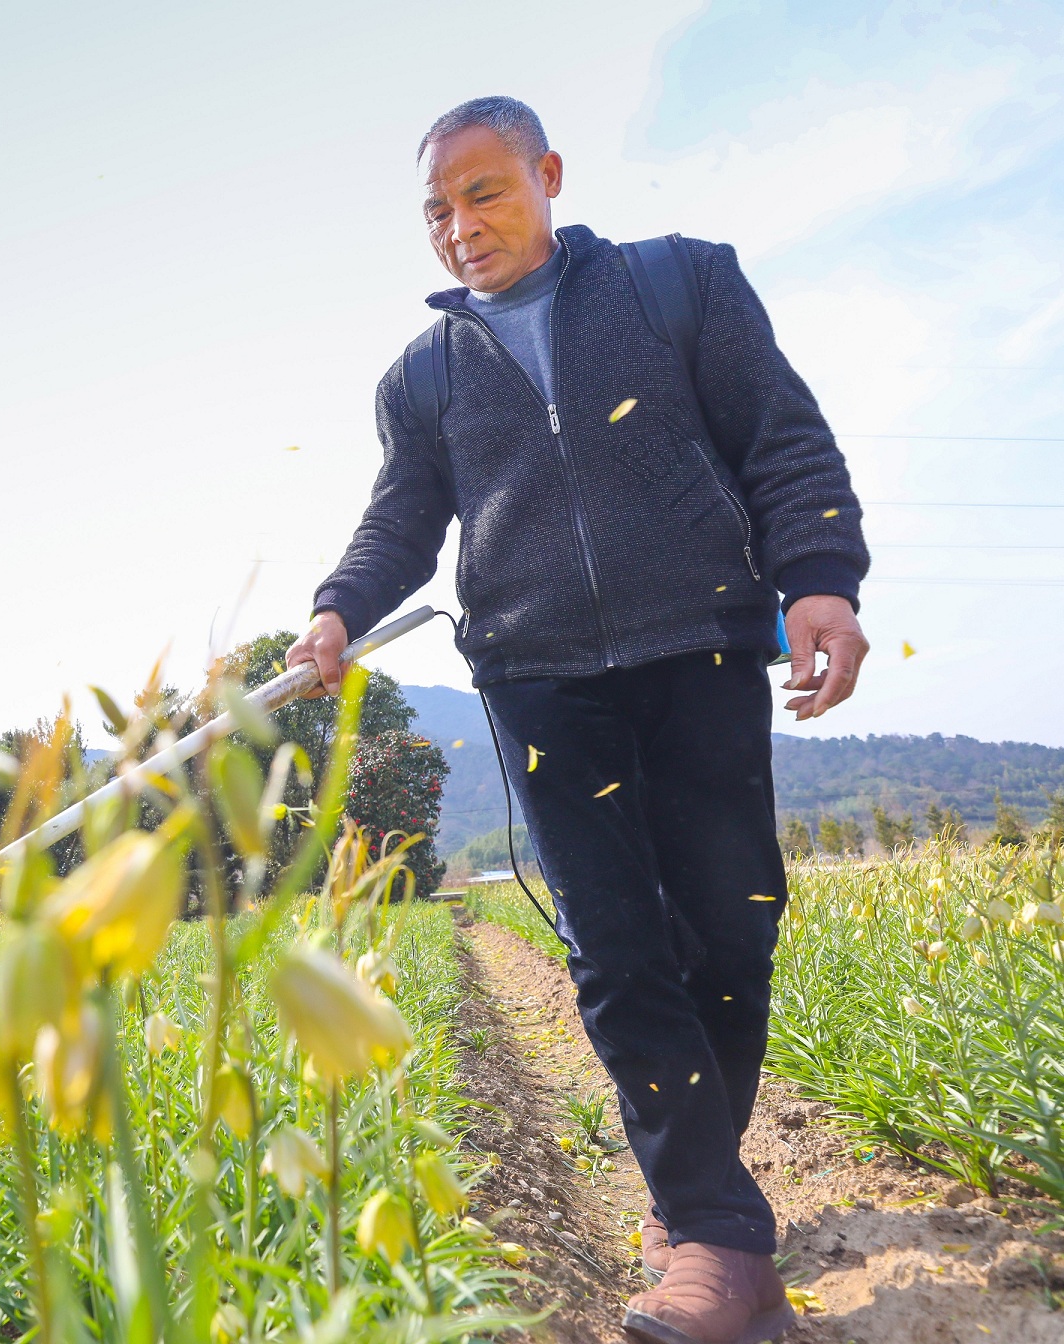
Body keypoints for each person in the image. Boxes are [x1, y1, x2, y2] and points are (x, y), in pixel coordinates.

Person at [287, 97, 869, 1344]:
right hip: (540, 677)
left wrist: (821, 576)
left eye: (484, 193)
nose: (459, 227)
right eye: (436, 210)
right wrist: (338, 609)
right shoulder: (425, 373)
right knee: (615, 951)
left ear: (548, 175)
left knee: (729, 924)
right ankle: (711, 1232)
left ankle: (696, 1198)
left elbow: (781, 437)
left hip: (701, 644)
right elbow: (403, 518)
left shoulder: (681, 287)